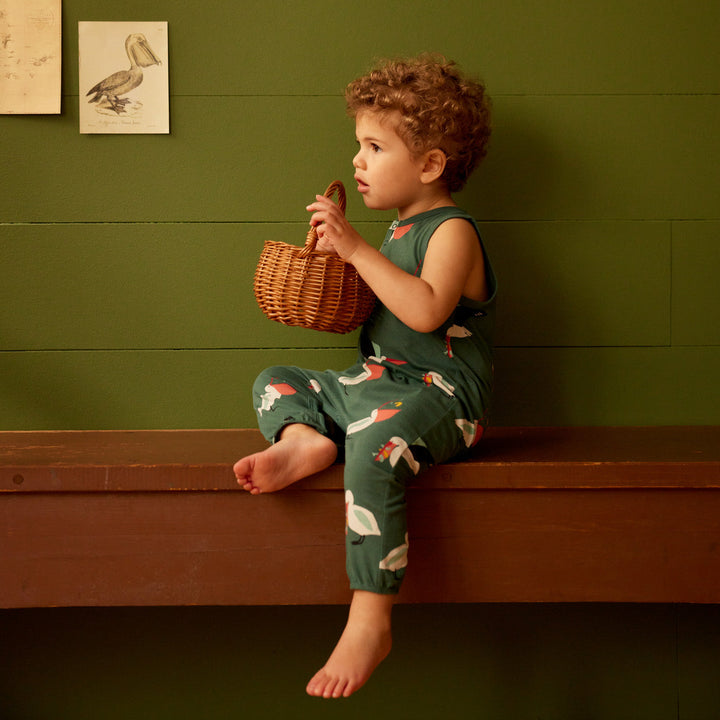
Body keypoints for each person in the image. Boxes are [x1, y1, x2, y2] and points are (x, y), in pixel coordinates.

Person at [234, 53, 495, 699]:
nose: (358, 160)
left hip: (442, 396)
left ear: (429, 165)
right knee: (277, 378)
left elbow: (426, 311)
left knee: (376, 449)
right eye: (359, 145)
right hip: (378, 382)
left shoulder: (452, 230)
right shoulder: (398, 228)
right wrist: (343, 260)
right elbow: (382, 306)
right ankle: (305, 439)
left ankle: (370, 617)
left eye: (375, 147)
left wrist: (355, 248)